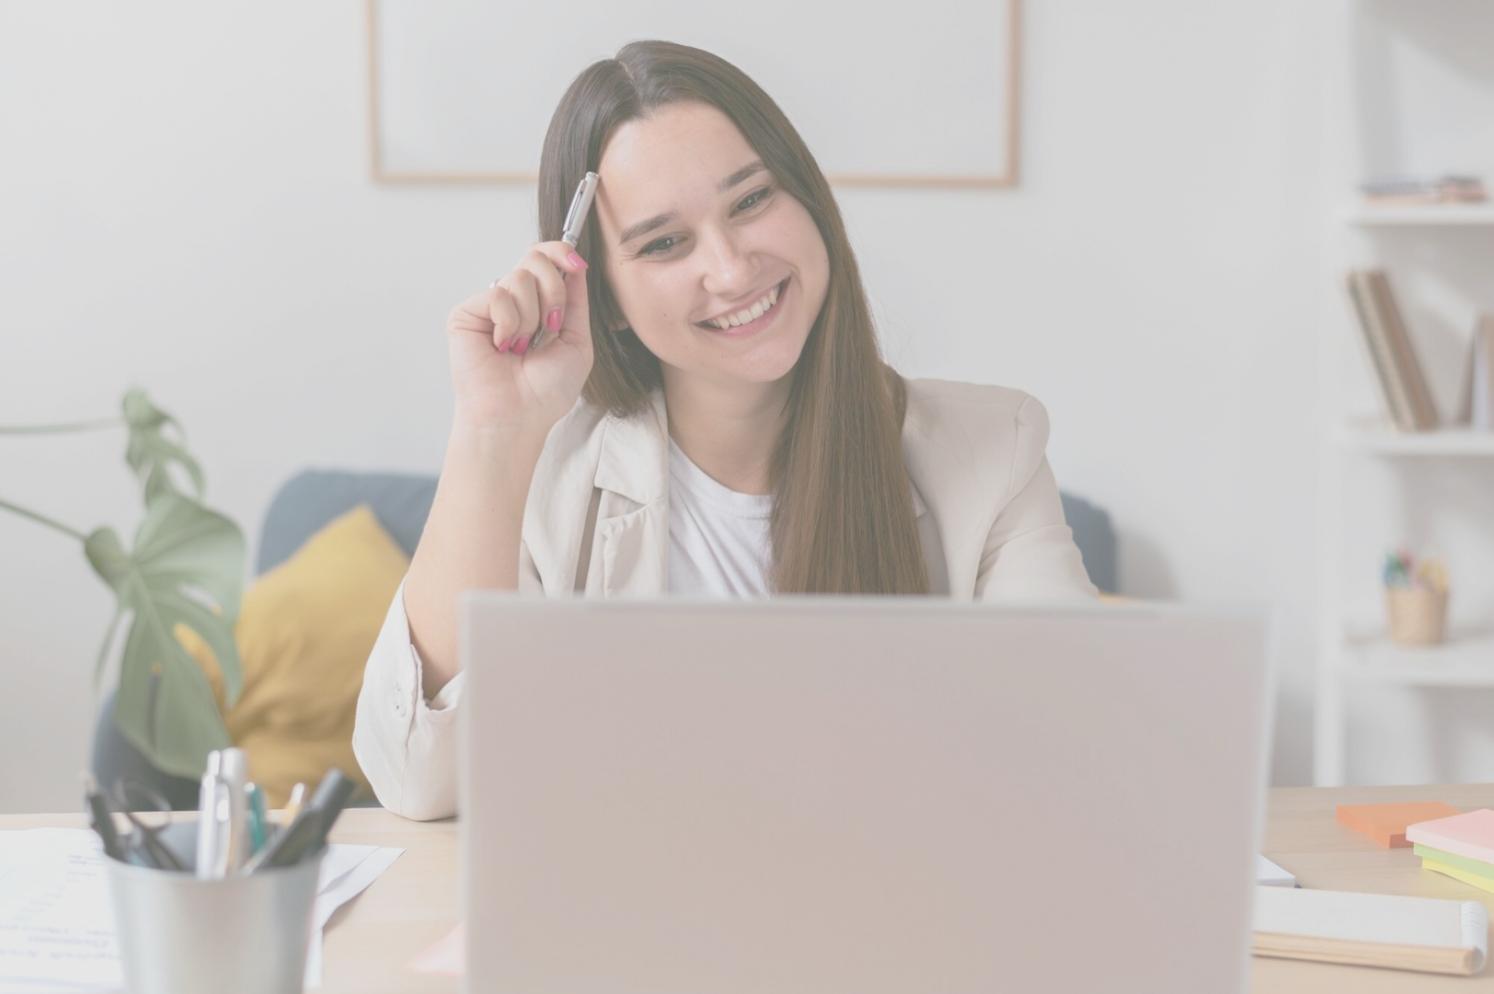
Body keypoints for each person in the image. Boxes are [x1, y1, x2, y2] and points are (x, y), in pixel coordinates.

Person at [352, 40, 1098, 821]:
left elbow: (1082, 746)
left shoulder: (994, 450)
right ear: (602, 297)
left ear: (809, 201)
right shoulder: (542, 479)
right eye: (665, 243)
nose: (734, 269)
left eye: (750, 201)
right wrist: (491, 433)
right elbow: (417, 782)